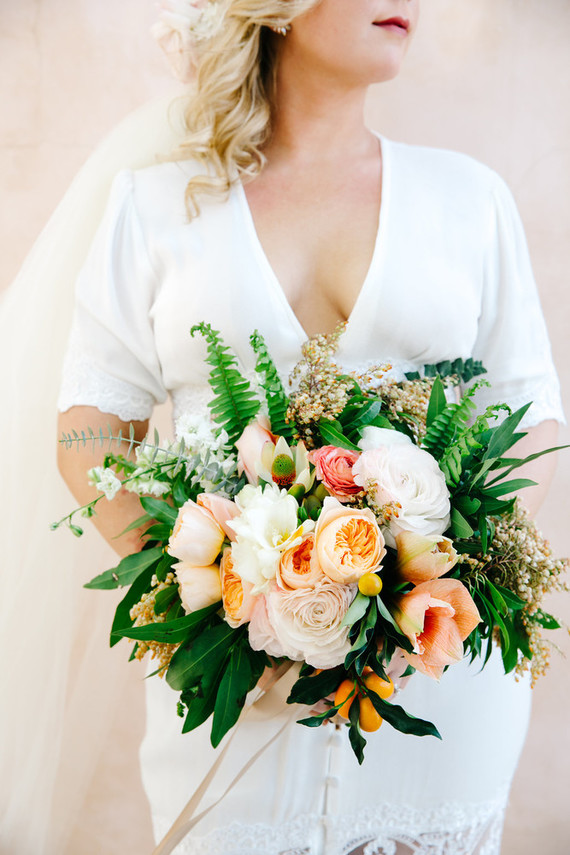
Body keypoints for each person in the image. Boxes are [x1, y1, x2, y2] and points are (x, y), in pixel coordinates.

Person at [12, 0, 566, 853]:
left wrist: (428, 585)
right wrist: (202, 600)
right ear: (276, 10)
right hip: (237, 691)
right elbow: (89, 428)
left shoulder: (470, 198)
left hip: (434, 682)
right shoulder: (160, 203)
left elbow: (524, 427)